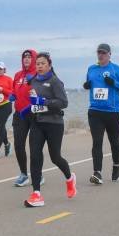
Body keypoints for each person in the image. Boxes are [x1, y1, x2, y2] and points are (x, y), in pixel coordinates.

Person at [22, 52, 76, 207]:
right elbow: (34, 102)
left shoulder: (55, 81)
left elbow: (63, 103)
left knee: (55, 157)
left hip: (54, 124)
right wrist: (28, 108)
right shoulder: (33, 81)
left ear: (49, 65)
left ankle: (70, 178)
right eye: (37, 64)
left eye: (42, 63)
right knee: (35, 156)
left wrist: (43, 101)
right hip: (37, 123)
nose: (39, 66)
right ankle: (36, 193)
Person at [82, 43, 119, 184]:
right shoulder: (91, 69)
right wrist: (86, 86)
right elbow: (89, 83)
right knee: (97, 142)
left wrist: (114, 82)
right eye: (99, 52)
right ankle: (97, 173)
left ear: (109, 54)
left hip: (113, 112)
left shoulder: (116, 69)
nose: (101, 55)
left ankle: (116, 166)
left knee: (114, 141)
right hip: (95, 111)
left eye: (103, 53)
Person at [10, 49, 44, 187]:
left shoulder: (39, 73)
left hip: (35, 113)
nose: (26, 59)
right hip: (20, 114)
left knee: (35, 147)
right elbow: (14, 89)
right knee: (18, 145)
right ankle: (24, 174)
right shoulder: (18, 75)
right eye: (24, 57)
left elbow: (44, 92)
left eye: (29, 56)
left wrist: (33, 82)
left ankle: (38, 174)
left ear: (34, 59)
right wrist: (12, 94)